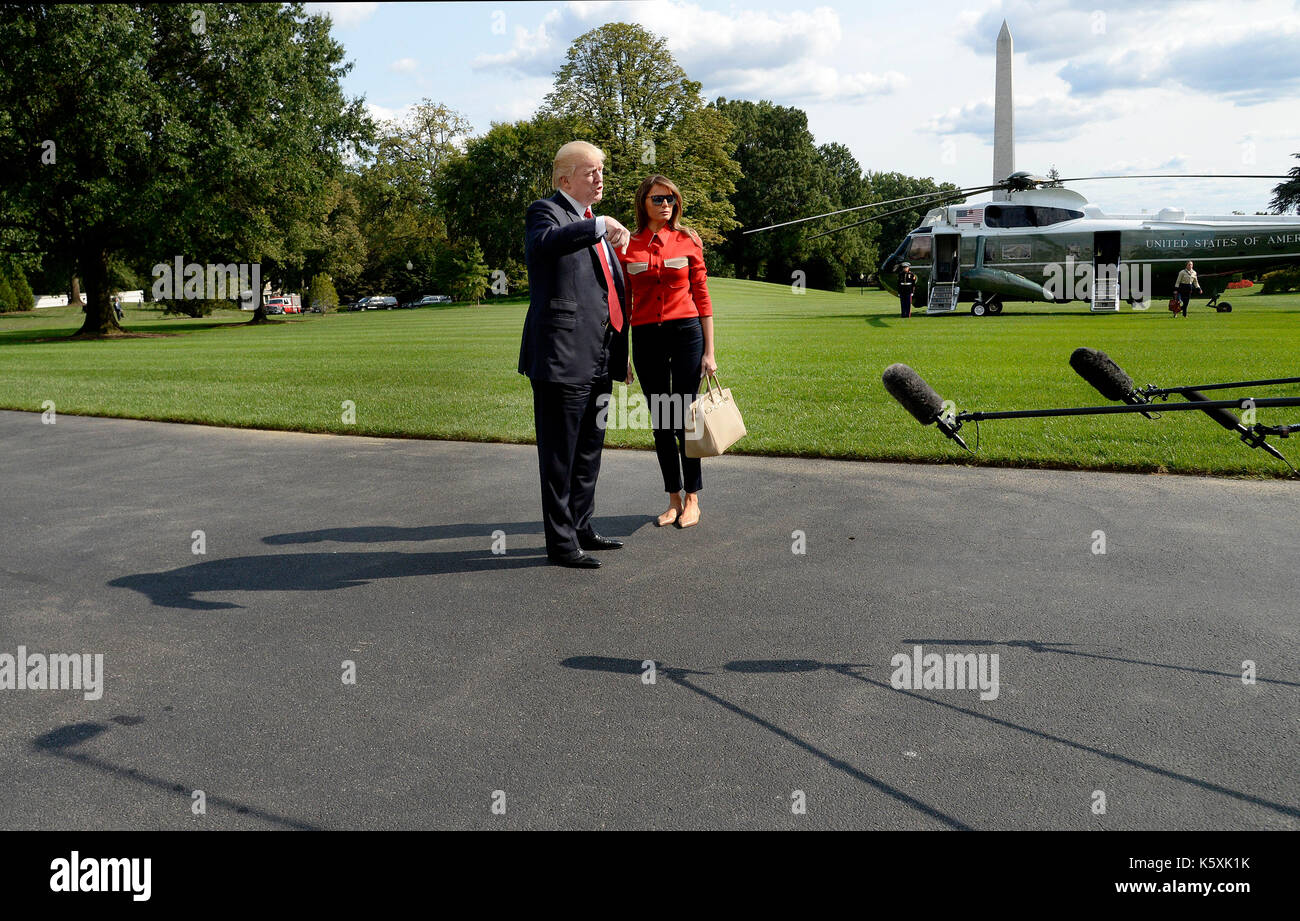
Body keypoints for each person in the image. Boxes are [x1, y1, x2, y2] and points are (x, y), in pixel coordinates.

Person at [519, 141, 633, 569]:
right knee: (560, 456)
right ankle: (562, 544)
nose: (600, 177)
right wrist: (599, 224)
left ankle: (583, 527)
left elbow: (608, 295)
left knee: (589, 451)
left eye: (602, 170)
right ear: (565, 179)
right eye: (591, 172)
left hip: (599, 357)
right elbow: (546, 244)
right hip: (561, 358)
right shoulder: (546, 212)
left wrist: (620, 356)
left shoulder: (592, 223)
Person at [617, 174, 715, 529]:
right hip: (646, 336)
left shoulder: (688, 241)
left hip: (686, 333)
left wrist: (710, 352)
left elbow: (702, 297)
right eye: (658, 199)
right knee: (661, 419)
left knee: (686, 418)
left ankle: (693, 499)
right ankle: (672, 498)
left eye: (670, 199)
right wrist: (621, 354)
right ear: (643, 202)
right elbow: (621, 303)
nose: (665, 205)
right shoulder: (626, 245)